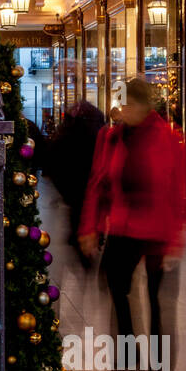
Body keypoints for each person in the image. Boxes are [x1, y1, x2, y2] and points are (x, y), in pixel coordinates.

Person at [78, 76, 186, 371]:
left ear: (144, 107)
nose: (121, 110)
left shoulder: (170, 140)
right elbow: (98, 185)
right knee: (120, 299)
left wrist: (174, 243)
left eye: (127, 104)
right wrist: (90, 228)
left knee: (158, 306)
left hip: (158, 232)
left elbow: (179, 194)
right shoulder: (111, 138)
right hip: (124, 230)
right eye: (120, 103)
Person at [46, 100, 107, 267]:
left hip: (75, 191)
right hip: (89, 188)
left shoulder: (67, 131)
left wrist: (66, 192)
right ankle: (91, 249)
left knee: (78, 220)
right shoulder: (98, 130)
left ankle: (85, 251)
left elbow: (53, 160)